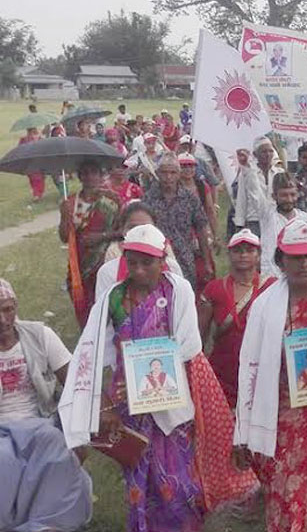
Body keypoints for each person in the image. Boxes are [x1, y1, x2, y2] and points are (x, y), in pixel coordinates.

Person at [60, 224, 257, 532]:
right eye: (133, 261)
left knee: (177, 478)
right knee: (141, 474)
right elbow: (99, 348)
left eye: (147, 262)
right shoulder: (114, 298)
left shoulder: (177, 289)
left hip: (169, 395)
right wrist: (107, 399)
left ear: (162, 259)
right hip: (130, 401)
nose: (139, 270)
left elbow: (189, 344)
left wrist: (146, 373)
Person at [234, 220, 307, 532]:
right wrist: (243, 430)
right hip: (285, 414)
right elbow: (251, 365)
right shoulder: (265, 306)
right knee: (291, 487)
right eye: (296, 257)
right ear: (280, 260)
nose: (305, 264)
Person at [0, 278, 93, 532]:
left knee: (55, 446)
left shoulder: (39, 335)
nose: (3, 320)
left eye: (7, 309)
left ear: (16, 307)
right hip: (2, 430)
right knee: (4, 459)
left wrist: (79, 433)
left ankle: (48, 524)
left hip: (40, 421)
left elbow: (76, 383)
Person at [198, 229, 276, 408]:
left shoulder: (271, 287)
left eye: (249, 251)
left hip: (260, 371)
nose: (243, 255)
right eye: (238, 251)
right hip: (223, 372)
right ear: (229, 255)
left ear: (258, 256)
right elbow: (200, 334)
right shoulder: (214, 289)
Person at [58, 159, 121, 327]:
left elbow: (123, 232)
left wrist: (101, 237)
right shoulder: (70, 202)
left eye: (93, 172)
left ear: (101, 175)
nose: (89, 177)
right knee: (83, 305)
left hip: (105, 261)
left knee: (106, 303)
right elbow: (64, 237)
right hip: (79, 263)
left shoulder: (112, 200)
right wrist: (65, 216)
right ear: (79, 176)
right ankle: (88, 338)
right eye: (84, 173)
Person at [143, 153, 215, 286]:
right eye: (164, 173)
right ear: (158, 174)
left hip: (184, 258)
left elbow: (201, 229)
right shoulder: (148, 199)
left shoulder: (190, 199)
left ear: (178, 174)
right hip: (156, 258)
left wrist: (206, 262)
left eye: (172, 172)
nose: (168, 177)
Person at [239, 155, 307, 278]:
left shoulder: (304, 219)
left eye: (292, 194)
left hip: (298, 275)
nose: (289, 199)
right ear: (274, 196)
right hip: (271, 276)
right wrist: (247, 167)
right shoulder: (267, 214)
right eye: (284, 195)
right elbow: (254, 191)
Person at [96, 201, 182, 298]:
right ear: (122, 229)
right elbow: (103, 310)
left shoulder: (171, 268)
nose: (139, 232)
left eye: (146, 227)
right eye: (132, 227)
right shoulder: (109, 271)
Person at [178, 152, 219, 292]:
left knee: (205, 267)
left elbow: (210, 210)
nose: (188, 169)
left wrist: (215, 235)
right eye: (184, 166)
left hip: (201, 232)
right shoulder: (173, 188)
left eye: (191, 166)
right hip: (181, 233)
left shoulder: (202, 186)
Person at [235, 138, 287, 236]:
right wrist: (239, 223)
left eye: (270, 151)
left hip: (275, 219)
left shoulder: (279, 172)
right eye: (264, 152)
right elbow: (241, 198)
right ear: (255, 154)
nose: (268, 155)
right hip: (254, 220)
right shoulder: (248, 172)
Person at [19, 126, 46, 202]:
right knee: (37, 179)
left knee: (37, 179)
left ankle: (38, 193)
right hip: (32, 163)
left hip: (33, 163)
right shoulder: (36, 139)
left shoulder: (25, 140)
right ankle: (37, 194)